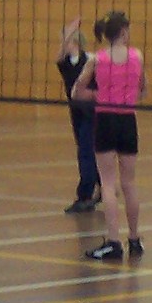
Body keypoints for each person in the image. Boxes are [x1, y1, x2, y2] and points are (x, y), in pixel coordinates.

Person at [71, 11, 143, 261]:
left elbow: (77, 92)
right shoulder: (137, 57)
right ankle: (134, 240)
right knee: (130, 183)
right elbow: (142, 90)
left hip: (105, 120)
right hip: (128, 120)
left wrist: (98, 95)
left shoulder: (97, 59)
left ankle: (114, 242)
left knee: (109, 185)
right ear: (123, 31)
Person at [57, 17, 101, 215]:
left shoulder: (91, 60)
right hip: (76, 112)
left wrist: (69, 32)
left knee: (86, 152)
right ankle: (101, 187)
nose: (63, 45)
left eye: (66, 41)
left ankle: (84, 196)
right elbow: (59, 57)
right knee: (88, 150)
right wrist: (67, 35)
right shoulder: (66, 63)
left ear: (74, 42)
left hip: (92, 112)